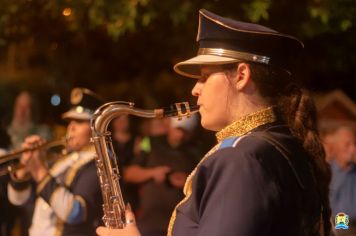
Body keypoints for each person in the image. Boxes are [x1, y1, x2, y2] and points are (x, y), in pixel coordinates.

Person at [97, 9, 331, 236]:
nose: (195, 89)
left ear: (241, 76)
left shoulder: (241, 158)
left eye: (205, 77)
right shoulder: (280, 143)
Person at [8, 87, 104, 236]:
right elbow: (19, 200)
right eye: (70, 121)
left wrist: (40, 171)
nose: (71, 127)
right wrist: (23, 172)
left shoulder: (98, 163)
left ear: (97, 127)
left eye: (79, 121)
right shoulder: (63, 159)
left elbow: (75, 212)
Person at [327, 125, 356, 236]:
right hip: (339, 223)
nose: (353, 148)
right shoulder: (327, 170)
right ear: (336, 147)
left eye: (354, 144)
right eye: (347, 144)